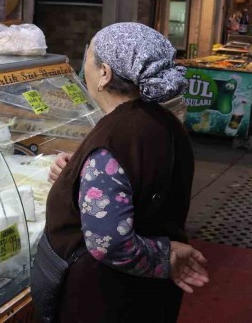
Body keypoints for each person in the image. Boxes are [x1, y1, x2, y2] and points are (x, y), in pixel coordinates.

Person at [37, 23, 209, 322]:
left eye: (89, 57)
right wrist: (77, 173)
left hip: (104, 299)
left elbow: (109, 243)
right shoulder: (162, 120)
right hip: (149, 299)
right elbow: (139, 180)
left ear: (105, 73)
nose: (84, 67)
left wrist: (165, 256)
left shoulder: (116, 138)